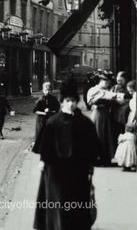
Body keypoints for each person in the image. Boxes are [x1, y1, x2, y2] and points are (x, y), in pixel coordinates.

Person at [33, 82, 99, 230]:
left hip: (77, 171)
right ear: (62, 102)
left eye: (73, 101)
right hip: (56, 172)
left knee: (76, 204)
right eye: (67, 101)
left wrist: (90, 168)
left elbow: (92, 149)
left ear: (77, 102)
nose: (70, 104)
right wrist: (43, 161)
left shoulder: (85, 123)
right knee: (58, 204)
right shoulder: (52, 122)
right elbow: (45, 148)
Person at [87, 73, 119, 166]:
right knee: (98, 133)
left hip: (106, 113)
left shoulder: (107, 90)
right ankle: (96, 157)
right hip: (98, 113)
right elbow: (89, 102)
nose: (108, 84)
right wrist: (100, 97)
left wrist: (112, 99)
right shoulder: (93, 90)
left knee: (106, 134)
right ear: (101, 81)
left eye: (108, 82)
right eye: (106, 82)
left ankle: (106, 157)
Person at [110, 71, 131, 136]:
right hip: (114, 114)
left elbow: (132, 99)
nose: (119, 83)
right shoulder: (114, 88)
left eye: (121, 81)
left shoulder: (128, 88)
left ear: (126, 79)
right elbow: (110, 97)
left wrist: (125, 101)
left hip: (124, 116)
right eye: (118, 81)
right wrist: (115, 100)